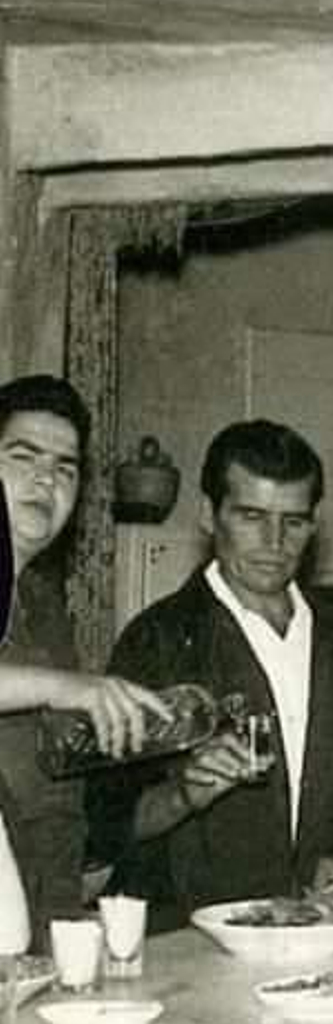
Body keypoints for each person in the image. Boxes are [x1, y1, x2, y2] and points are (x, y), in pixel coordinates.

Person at [89, 419, 333, 931]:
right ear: (209, 516)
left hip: (312, 934)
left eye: (293, 521)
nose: (274, 542)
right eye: (252, 516)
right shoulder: (158, 640)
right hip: (188, 942)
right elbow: (102, 824)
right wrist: (183, 793)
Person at [0, 375, 168, 949]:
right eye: (24, 457)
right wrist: (67, 687)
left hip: (45, 901)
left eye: (66, 468)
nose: (46, 479)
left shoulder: (43, 598)